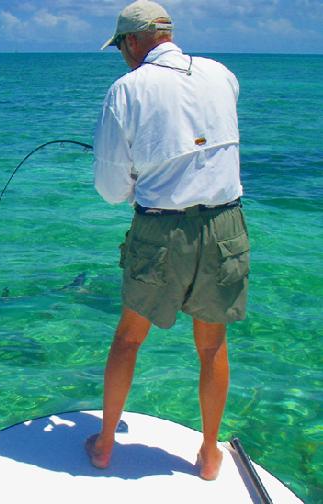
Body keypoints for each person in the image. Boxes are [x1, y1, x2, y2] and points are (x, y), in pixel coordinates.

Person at [87, 0, 250, 481]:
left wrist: (140, 179)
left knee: (128, 340)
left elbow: (111, 190)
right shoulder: (222, 74)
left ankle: (104, 445)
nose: (121, 54)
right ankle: (209, 455)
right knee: (212, 345)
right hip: (226, 226)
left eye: (120, 45)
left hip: (161, 231)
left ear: (134, 41)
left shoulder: (127, 89)